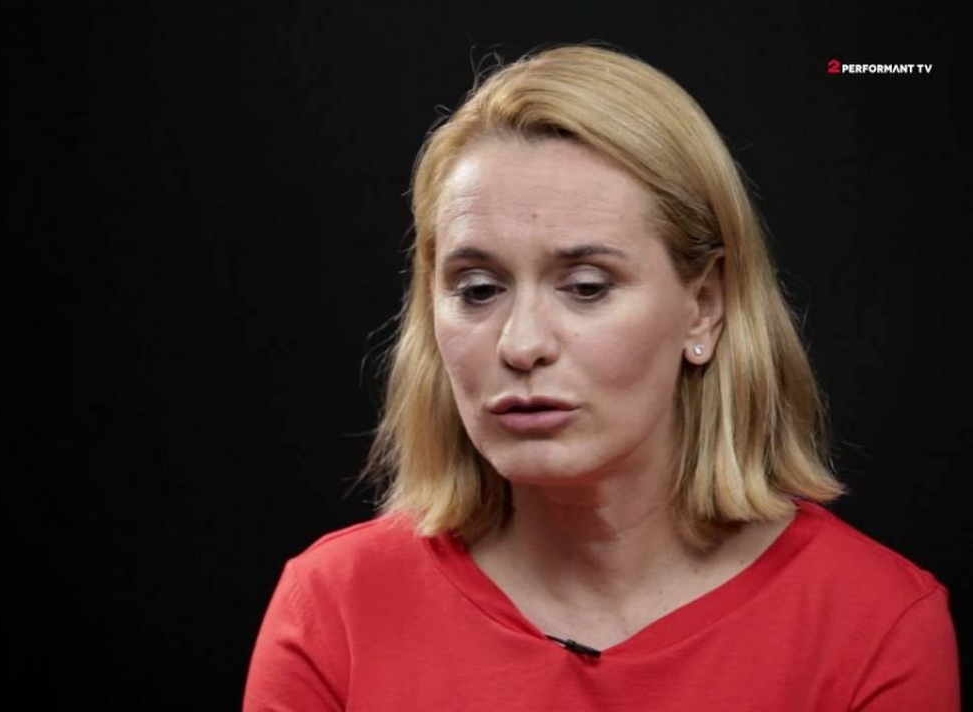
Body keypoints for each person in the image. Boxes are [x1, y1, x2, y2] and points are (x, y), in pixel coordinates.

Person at [242, 44, 960, 710]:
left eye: (586, 286)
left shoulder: (873, 622)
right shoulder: (335, 607)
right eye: (478, 289)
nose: (522, 344)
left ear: (704, 307)